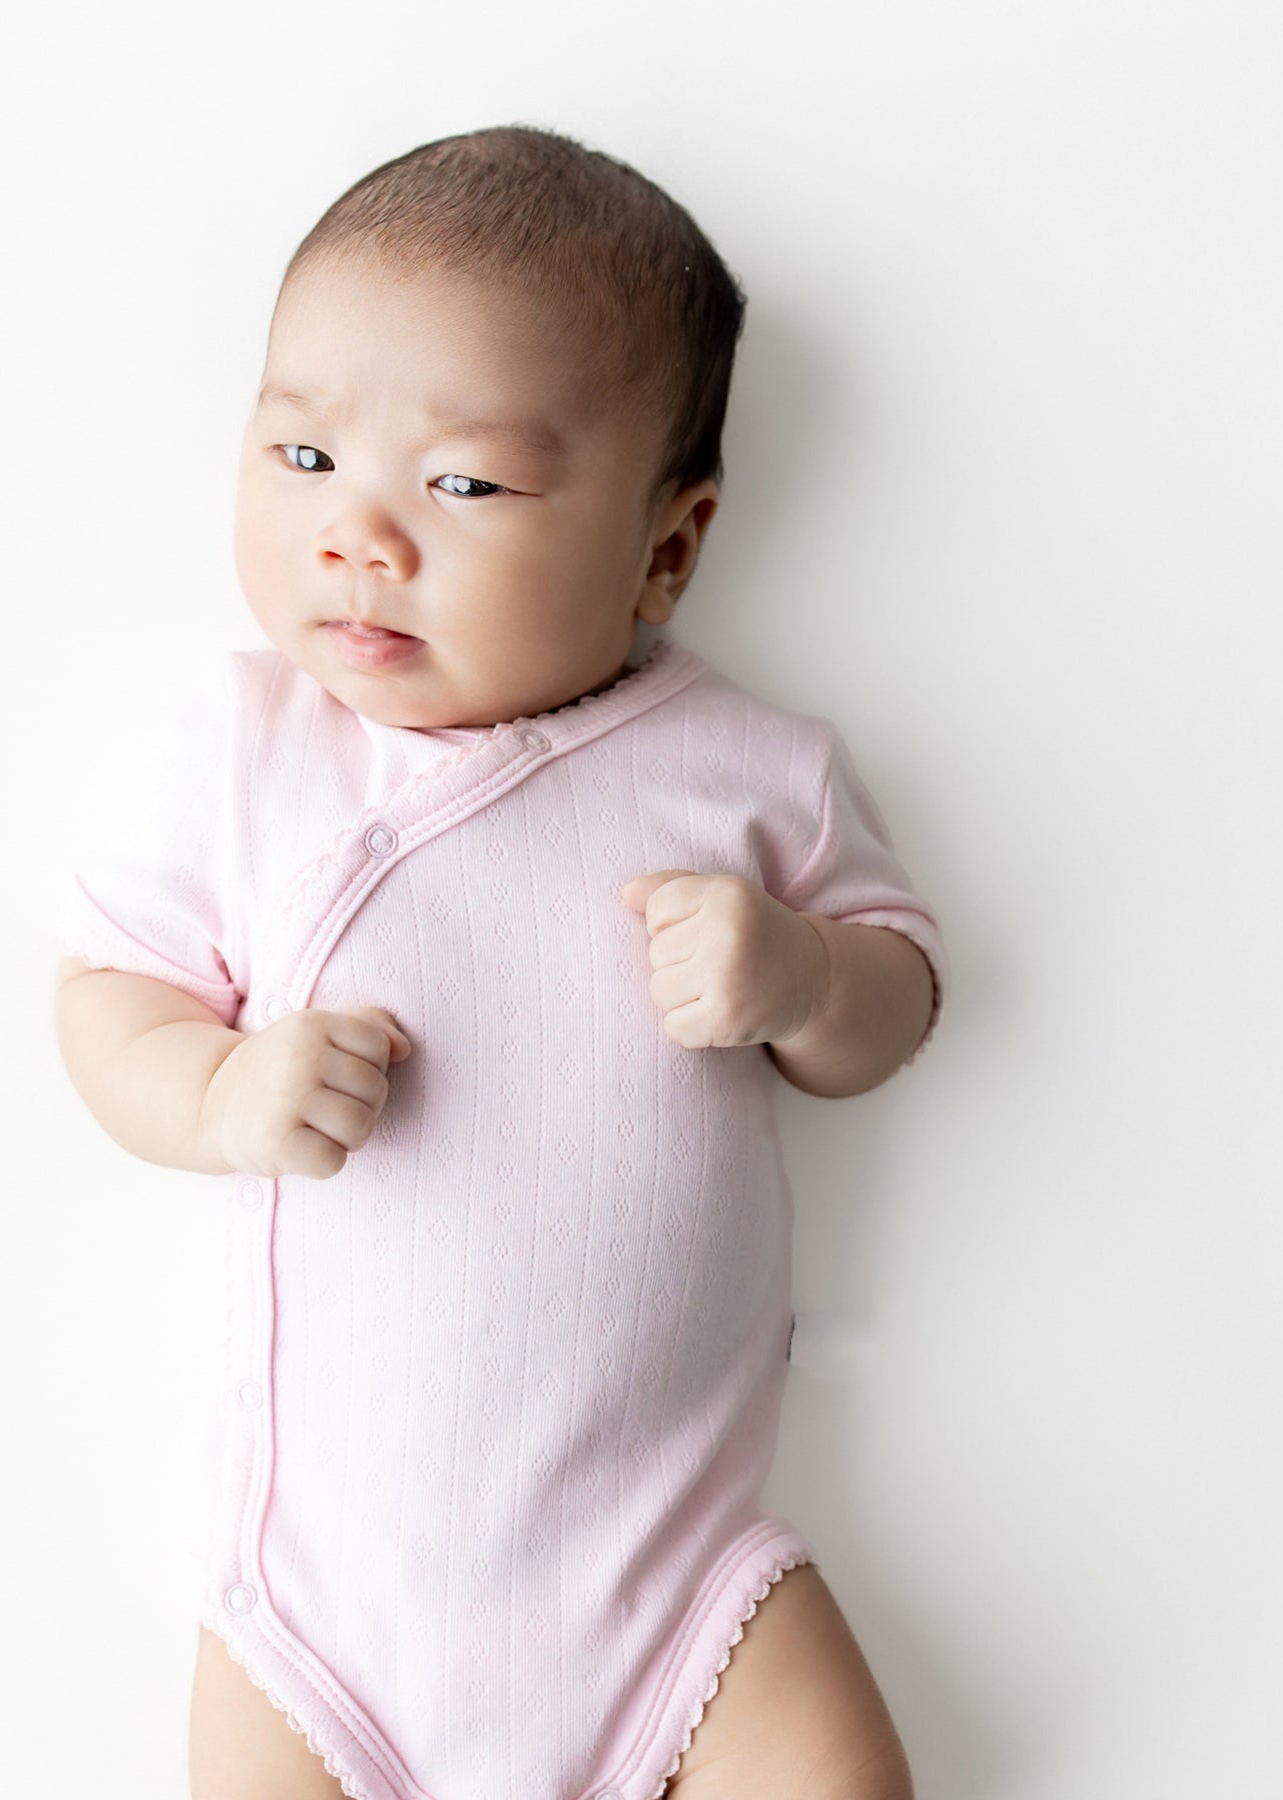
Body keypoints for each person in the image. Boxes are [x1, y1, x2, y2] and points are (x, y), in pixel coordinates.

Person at [52, 123, 948, 1800]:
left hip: (672, 1579)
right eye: (304, 455)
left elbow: (896, 998)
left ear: (666, 549)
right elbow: (109, 997)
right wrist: (221, 1091)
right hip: (326, 1602)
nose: (360, 536)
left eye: (462, 484)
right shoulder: (251, 751)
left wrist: (807, 982)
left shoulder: (747, 771)